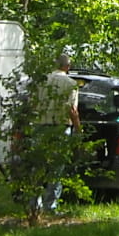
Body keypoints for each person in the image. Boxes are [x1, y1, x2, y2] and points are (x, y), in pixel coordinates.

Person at [34, 53, 80, 213]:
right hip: (60, 127)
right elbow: (72, 110)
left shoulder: (41, 82)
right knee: (56, 168)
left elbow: (33, 104)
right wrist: (78, 130)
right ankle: (50, 206)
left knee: (38, 167)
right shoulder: (71, 84)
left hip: (39, 127)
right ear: (68, 67)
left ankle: (34, 204)